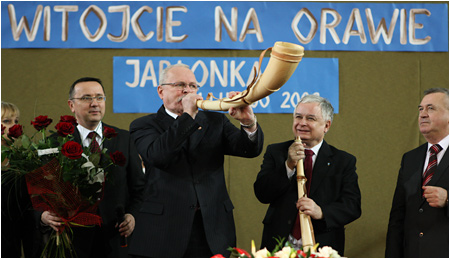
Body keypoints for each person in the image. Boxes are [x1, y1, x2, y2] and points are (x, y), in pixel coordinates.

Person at [128, 63, 264, 257]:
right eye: (179, 85)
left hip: (212, 229)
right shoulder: (143, 125)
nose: (187, 90)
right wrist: (189, 116)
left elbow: (248, 149)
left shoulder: (215, 121)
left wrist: (248, 122)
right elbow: (158, 155)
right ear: (161, 91)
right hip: (164, 231)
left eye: (193, 86)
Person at [39, 77, 145, 257]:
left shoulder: (124, 139)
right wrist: (42, 215)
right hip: (71, 238)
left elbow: (140, 189)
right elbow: (38, 191)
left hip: (115, 237)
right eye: (87, 98)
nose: (95, 103)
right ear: (71, 105)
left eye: (99, 97)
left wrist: (133, 216)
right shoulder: (53, 143)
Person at [254, 95, 361, 256]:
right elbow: (262, 193)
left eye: (310, 118)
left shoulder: (343, 161)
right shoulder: (276, 152)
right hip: (278, 245)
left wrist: (322, 211)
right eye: (298, 117)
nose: (302, 123)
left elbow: (352, 206)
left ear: (326, 125)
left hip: (322, 245)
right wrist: (288, 165)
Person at [386, 87, 449, 258]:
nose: (422, 114)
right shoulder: (410, 158)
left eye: (431, 108)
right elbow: (397, 217)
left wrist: (448, 200)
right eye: (421, 109)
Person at [1, 101, 40, 257]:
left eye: (16, 121)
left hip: (14, 240)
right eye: (6, 121)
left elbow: (26, 212)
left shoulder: (20, 162)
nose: (13, 126)